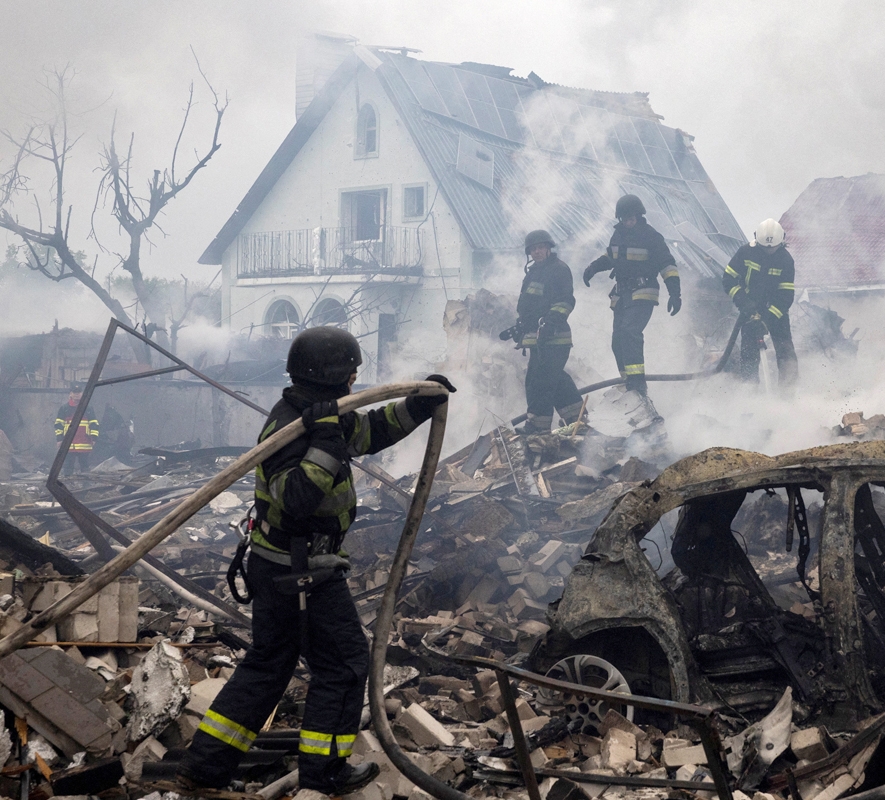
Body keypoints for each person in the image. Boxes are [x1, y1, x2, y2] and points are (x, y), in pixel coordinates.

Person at [178, 327, 455, 796]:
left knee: (268, 664)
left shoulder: (323, 414)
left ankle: (204, 770)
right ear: (334, 377)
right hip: (299, 573)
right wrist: (325, 443)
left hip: (285, 567)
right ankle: (324, 772)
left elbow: (370, 431)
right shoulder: (291, 427)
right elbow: (296, 499)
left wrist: (417, 407)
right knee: (345, 665)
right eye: (351, 373)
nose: (355, 381)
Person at [582, 194, 681, 426]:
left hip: (644, 291)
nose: (628, 221)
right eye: (625, 218)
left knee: (629, 332)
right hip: (623, 294)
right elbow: (610, 256)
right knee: (617, 340)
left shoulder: (651, 236)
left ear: (639, 215)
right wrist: (593, 268)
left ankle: (638, 385)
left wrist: (675, 293)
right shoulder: (618, 235)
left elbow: (667, 265)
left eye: (632, 217)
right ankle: (629, 384)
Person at [500, 230, 586, 434]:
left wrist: (550, 323)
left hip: (555, 338)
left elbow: (565, 301)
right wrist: (522, 326)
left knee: (540, 383)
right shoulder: (533, 272)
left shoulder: (558, 269)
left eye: (540, 247)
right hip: (540, 341)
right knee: (554, 379)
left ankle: (537, 428)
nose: (537, 252)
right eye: (533, 249)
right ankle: (577, 420)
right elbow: (530, 306)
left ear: (548, 248)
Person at [722, 219, 798, 387]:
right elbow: (728, 280)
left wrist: (768, 318)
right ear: (757, 239)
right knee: (749, 356)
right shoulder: (745, 253)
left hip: (776, 312)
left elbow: (786, 296)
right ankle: (751, 393)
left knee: (786, 353)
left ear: (782, 241)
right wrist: (744, 303)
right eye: (765, 248)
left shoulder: (786, 260)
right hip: (749, 310)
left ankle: (788, 394)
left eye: (773, 248)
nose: (769, 251)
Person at [54, 383, 99, 474]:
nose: (77, 394)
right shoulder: (64, 408)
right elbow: (59, 425)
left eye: (79, 392)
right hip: (68, 443)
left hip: (84, 443)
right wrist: (59, 439)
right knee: (68, 467)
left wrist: (94, 438)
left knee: (85, 467)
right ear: (70, 394)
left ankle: (85, 482)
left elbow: (94, 424)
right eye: (74, 392)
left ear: (82, 394)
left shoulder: (88, 408)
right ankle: (67, 481)